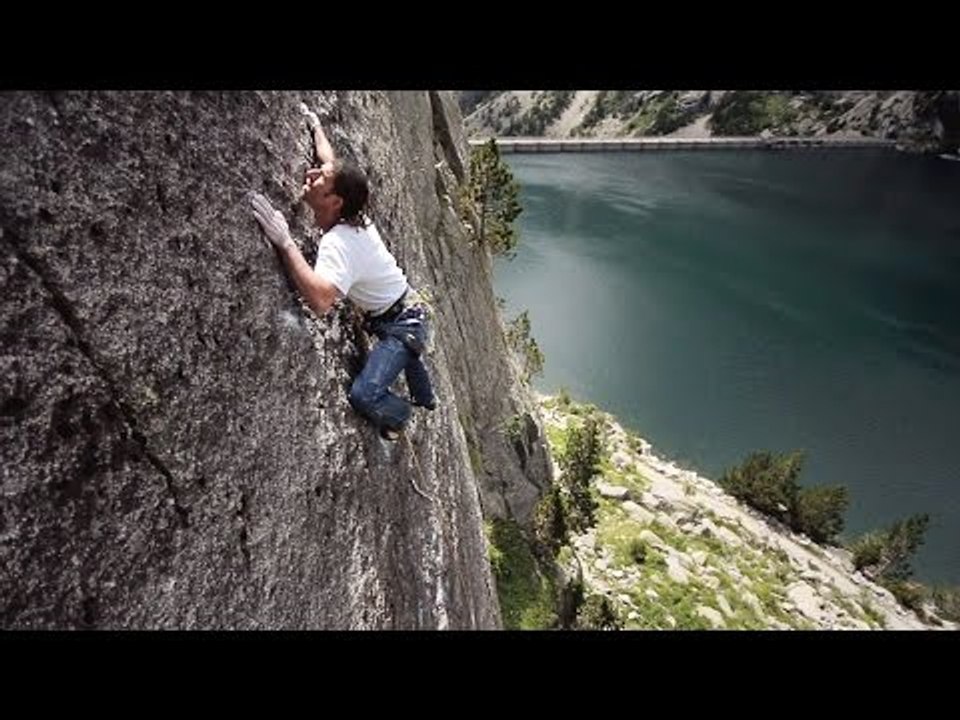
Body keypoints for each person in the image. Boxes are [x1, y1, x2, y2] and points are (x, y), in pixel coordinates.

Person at [250, 104, 435, 441]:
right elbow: (328, 159)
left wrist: (285, 242)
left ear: (335, 201)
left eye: (320, 179)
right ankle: (425, 394)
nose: (310, 174)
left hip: (401, 324)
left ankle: (403, 414)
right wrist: (315, 126)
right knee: (407, 352)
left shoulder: (339, 243)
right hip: (402, 311)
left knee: (364, 395)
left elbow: (321, 301)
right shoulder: (350, 212)